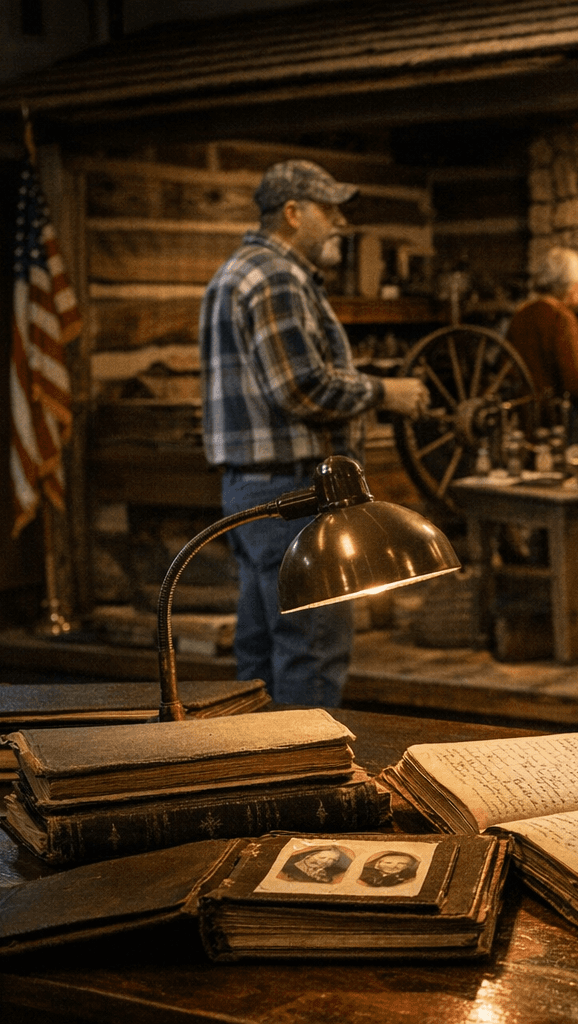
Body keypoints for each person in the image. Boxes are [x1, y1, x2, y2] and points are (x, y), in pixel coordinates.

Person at [200, 159, 429, 707]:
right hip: (293, 494)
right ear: (293, 213)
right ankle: (310, 779)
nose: (341, 224)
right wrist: (384, 391)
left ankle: (255, 775)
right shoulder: (276, 276)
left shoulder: (237, 270)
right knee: (312, 648)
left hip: (255, 490)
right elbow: (300, 388)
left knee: (258, 650)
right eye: (330, 210)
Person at [506, 247, 578, 451]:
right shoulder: (560, 317)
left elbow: (507, 367)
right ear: (568, 286)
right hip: (558, 421)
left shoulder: (521, 315)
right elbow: (576, 382)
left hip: (525, 417)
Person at [280, 845, 352, 884]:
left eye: (333, 860)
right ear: (310, 856)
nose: (326, 861)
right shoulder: (289, 868)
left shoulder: (327, 875)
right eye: (322, 857)